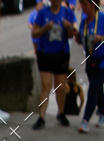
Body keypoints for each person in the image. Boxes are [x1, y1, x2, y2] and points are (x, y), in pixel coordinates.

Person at [31, 0, 76, 129]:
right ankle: (42, 117)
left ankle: (61, 112)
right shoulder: (42, 13)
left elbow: (72, 35)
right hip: (45, 53)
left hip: (61, 53)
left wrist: (68, 27)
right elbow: (34, 33)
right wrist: (45, 28)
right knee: (46, 85)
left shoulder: (67, 13)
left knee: (61, 86)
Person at [75, 0, 104, 132]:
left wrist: (101, 38)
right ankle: (102, 112)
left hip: (102, 62)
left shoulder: (102, 19)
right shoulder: (85, 22)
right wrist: (75, 34)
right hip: (90, 61)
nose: (83, 7)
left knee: (92, 89)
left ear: (93, 5)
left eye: (85, 4)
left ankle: (85, 120)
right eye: (82, 4)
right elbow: (81, 40)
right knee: (97, 89)